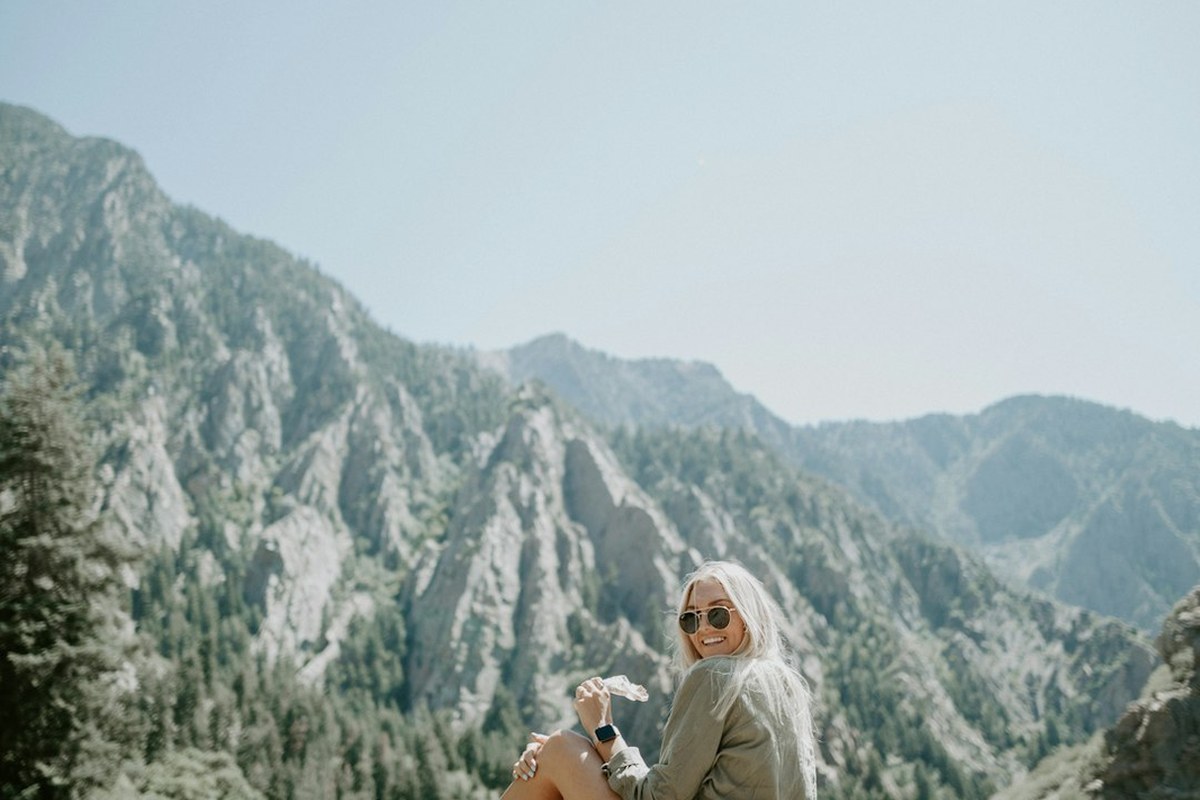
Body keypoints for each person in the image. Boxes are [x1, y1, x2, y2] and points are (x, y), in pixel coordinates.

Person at [500, 560, 818, 799]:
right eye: (690, 619)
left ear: (748, 618)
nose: (704, 628)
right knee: (556, 756)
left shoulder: (716, 675)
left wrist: (602, 729)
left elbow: (658, 797)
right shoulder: (789, 685)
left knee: (561, 748)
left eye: (718, 613)